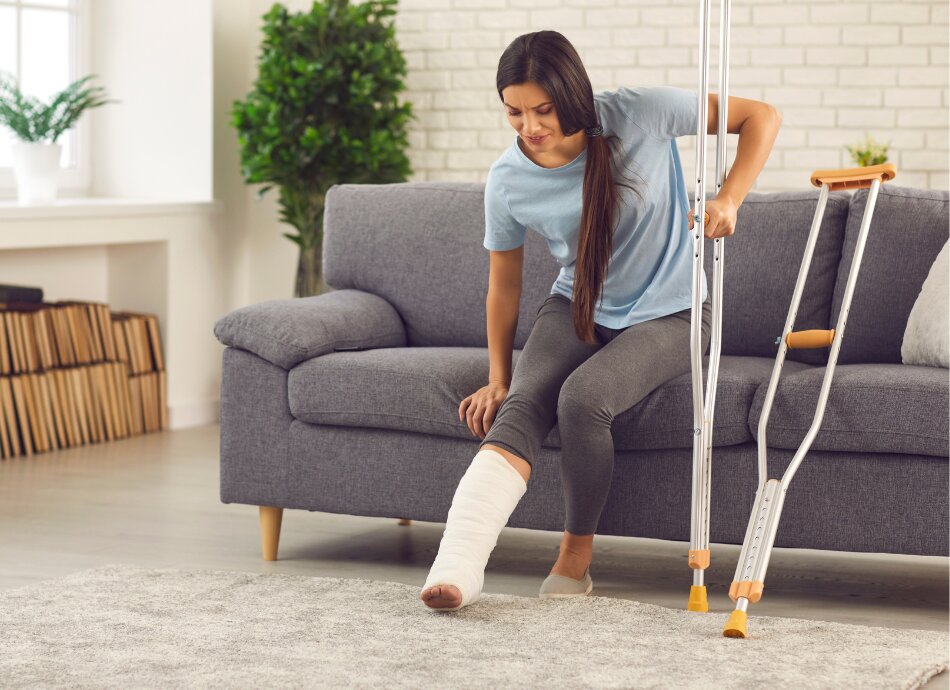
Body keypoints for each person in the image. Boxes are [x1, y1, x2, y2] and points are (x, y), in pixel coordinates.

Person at [419, 29, 781, 611]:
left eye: (544, 109)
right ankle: (457, 567)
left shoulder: (639, 113)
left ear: (573, 93)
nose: (530, 127)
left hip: (674, 311)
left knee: (583, 399)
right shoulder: (508, 179)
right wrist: (497, 374)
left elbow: (760, 116)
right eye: (514, 113)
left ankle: (574, 560)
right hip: (577, 305)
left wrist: (729, 197)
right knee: (523, 402)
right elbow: (504, 286)